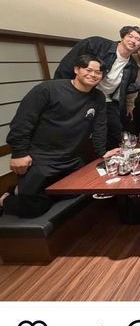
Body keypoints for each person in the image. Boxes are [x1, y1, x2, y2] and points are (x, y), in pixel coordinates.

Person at [1, 56, 113, 218]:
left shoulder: (98, 97)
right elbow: (22, 122)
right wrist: (19, 153)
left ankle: (23, 190)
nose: (93, 75)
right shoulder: (48, 90)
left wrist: (102, 152)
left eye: (98, 72)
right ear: (77, 69)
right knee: (34, 209)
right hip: (41, 159)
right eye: (89, 70)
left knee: (81, 191)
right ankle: (5, 199)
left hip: (71, 159)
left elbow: (99, 127)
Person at [54, 25, 140, 149]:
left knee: (115, 131)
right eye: (130, 36)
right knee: (77, 130)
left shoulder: (132, 66)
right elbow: (68, 64)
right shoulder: (97, 44)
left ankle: (110, 157)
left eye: (138, 39)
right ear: (122, 36)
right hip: (82, 95)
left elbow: (124, 89)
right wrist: (63, 90)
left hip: (107, 100)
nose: (133, 40)